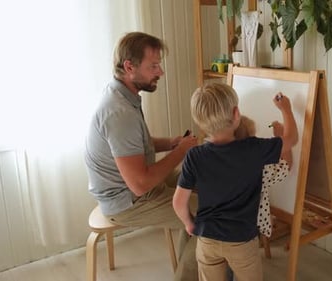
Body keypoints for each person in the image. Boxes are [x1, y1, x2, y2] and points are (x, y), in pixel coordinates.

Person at [84, 31, 198, 281]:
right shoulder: (120, 113)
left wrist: (172, 143)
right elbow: (139, 184)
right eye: (153, 66)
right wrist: (181, 151)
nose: (160, 72)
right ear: (129, 66)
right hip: (128, 201)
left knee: (198, 179)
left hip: (134, 188)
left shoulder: (122, 94)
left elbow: (136, 147)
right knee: (211, 212)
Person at [172, 82, 298, 281]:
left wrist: (189, 224)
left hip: (207, 239)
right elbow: (291, 139)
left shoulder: (194, 156)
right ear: (236, 113)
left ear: (200, 122)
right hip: (242, 241)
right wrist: (287, 110)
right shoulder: (253, 149)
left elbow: (178, 202)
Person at [235, 115, 293, 238]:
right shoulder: (259, 166)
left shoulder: (222, 160)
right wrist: (280, 137)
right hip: (252, 225)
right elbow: (286, 165)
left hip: (227, 224)